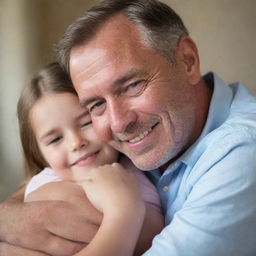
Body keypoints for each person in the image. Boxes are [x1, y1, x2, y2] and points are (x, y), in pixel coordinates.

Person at [1, 0, 256, 255]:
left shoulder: (243, 152)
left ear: (187, 60)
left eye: (133, 86)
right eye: (96, 105)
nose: (118, 123)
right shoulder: (141, 143)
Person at [18, 61, 163, 256]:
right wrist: (123, 205)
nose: (76, 143)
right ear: (38, 153)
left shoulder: (137, 167)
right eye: (56, 139)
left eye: (86, 123)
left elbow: (155, 234)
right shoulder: (45, 189)